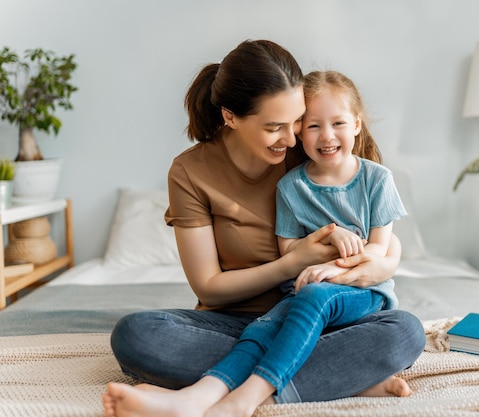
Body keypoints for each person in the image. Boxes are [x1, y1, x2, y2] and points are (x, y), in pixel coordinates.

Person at [102, 40, 425, 417]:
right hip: (233, 322)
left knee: (404, 330)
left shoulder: (310, 148)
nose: (290, 140)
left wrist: (383, 265)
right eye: (274, 128)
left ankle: (235, 386)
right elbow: (209, 286)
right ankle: (341, 376)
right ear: (231, 117)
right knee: (137, 334)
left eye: (296, 123)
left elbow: (378, 234)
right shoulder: (191, 172)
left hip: (326, 317)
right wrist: (293, 263)